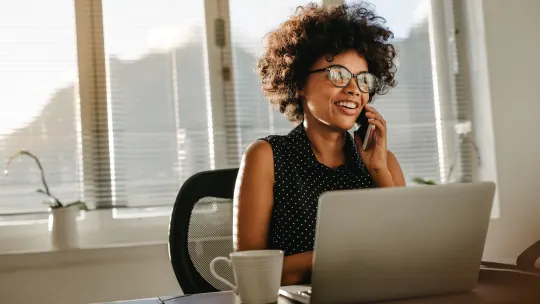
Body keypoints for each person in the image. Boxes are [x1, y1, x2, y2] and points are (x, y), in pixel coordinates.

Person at [232, 2, 406, 286]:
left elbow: (409, 257)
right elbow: (251, 274)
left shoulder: (384, 163)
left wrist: (378, 171)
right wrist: (341, 256)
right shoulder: (267, 157)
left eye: (363, 80)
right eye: (337, 75)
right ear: (299, 82)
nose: (353, 89)